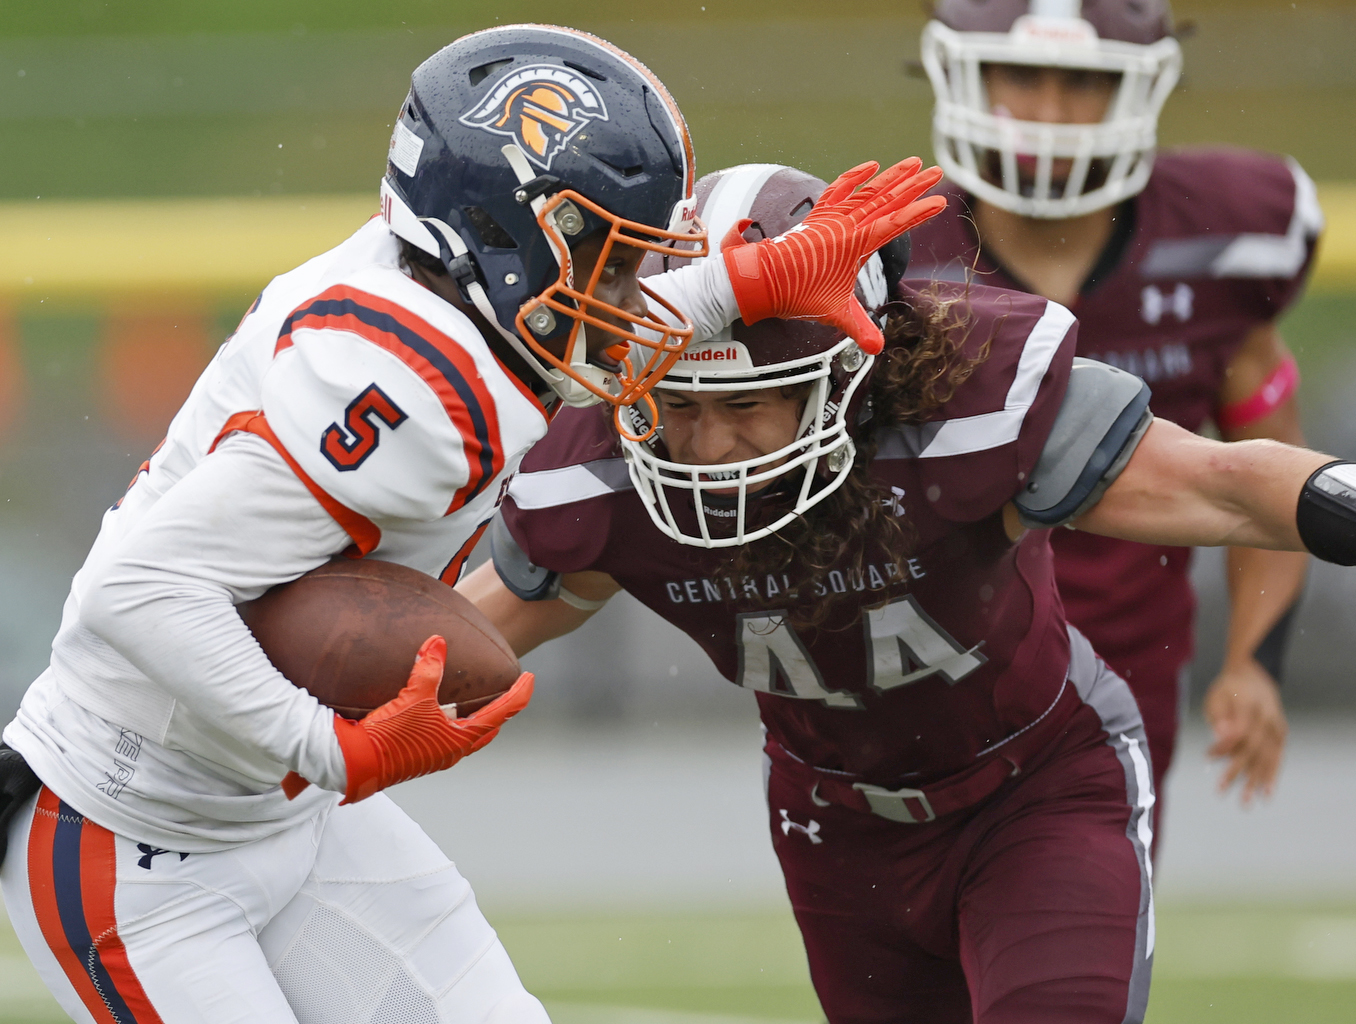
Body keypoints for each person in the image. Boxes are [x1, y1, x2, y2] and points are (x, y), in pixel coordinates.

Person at [0, 26, 942, 1023]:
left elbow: (572, 329)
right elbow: (131, 592)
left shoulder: (453, 290)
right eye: (611, 261)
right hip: (133, 836)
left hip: (284, 818)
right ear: (509, 240)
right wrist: (333, 748)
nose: (634, 292)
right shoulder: (412, 392)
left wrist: (741, 285)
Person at [458, 163, 1356, 1024]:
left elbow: (1225, 484)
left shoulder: (956, 413)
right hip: (836, 832)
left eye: (747, 406)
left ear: (846, 377)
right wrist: (324, 736)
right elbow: (446, 652)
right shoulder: (609, 488)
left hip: (1037, 790)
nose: (708, 448)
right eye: (680, 405)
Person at [909, 0, 1323, 817]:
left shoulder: (1224, 241)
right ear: (965, 74)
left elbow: (1269, 476)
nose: (1050, 113)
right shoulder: (894, 262)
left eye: (1084, 81)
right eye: (1021, 76)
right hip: (929, 683)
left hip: (1123, 682)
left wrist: (1253, 662)